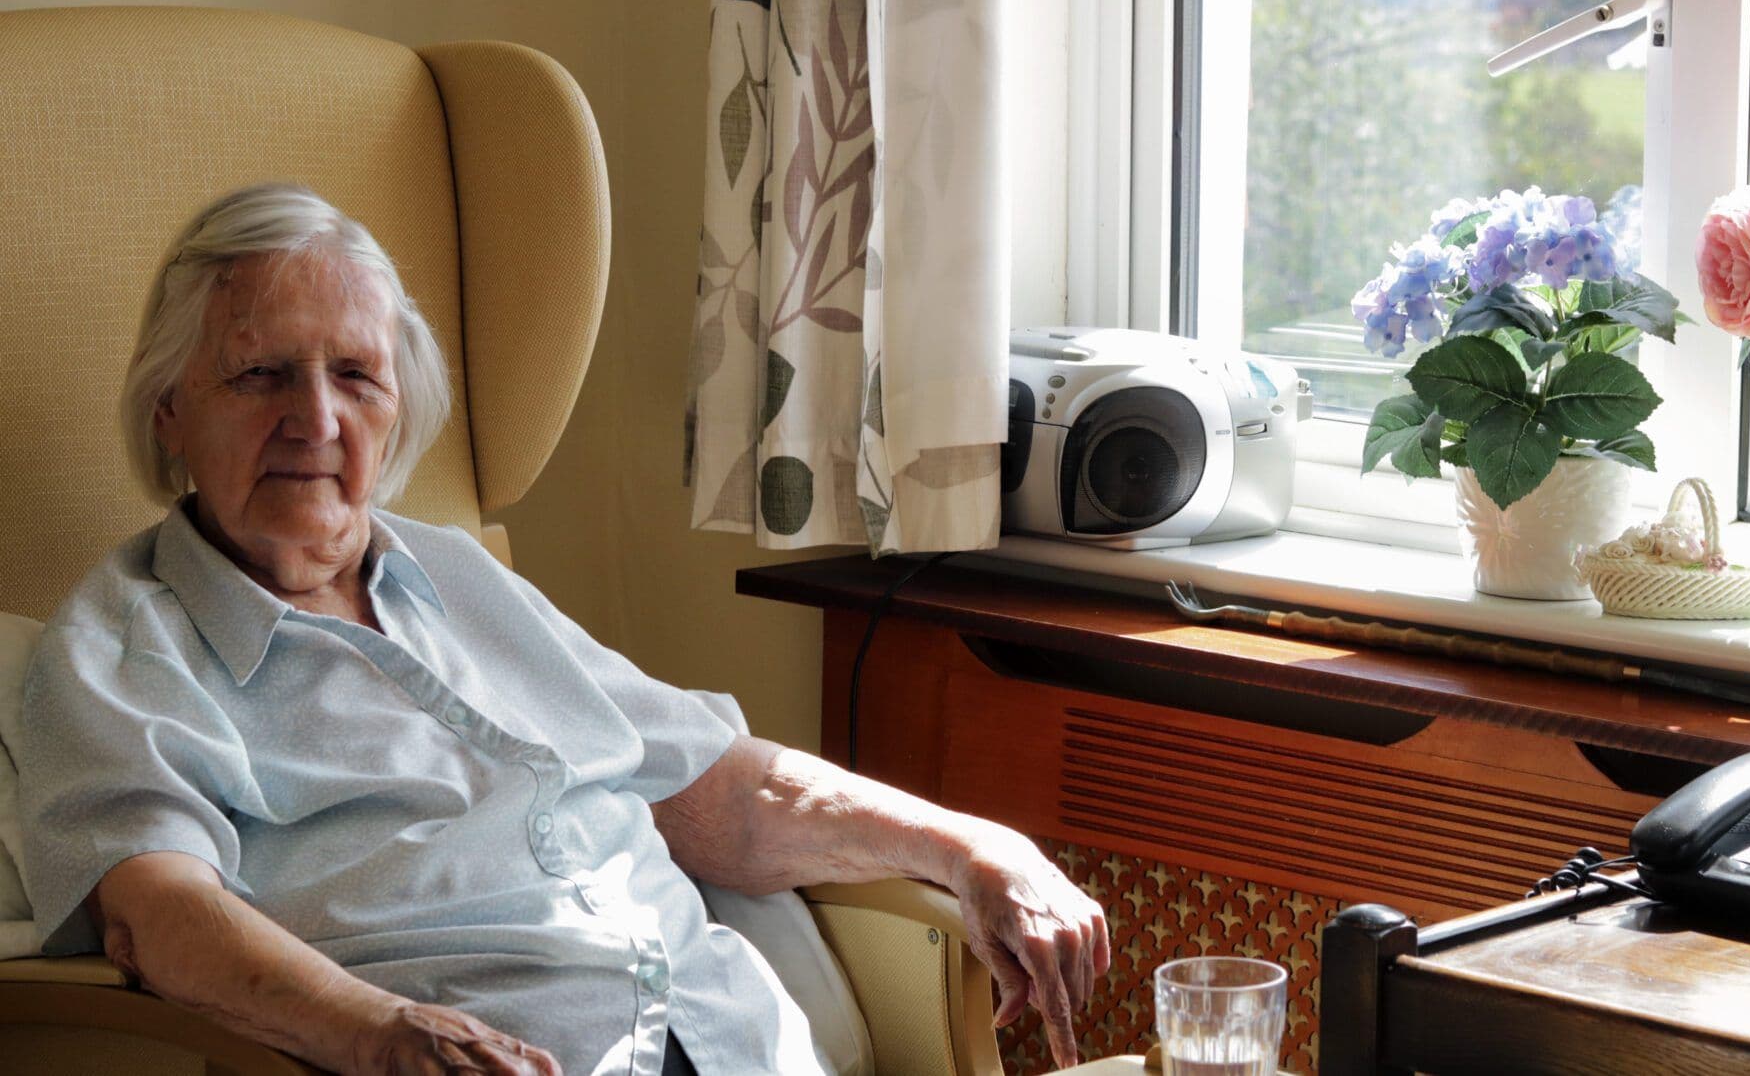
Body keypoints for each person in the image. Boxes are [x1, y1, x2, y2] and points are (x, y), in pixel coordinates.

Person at [19, 184, 1108, 1076]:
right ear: (169, 408)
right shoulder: (118, 650)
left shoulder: (459, 573)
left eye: (355, 375)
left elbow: (717, 792)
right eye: (261, 373)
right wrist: (381, 1034)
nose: (316, 419)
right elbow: (157, 918)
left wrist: (975, 846)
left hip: (737, 1046)